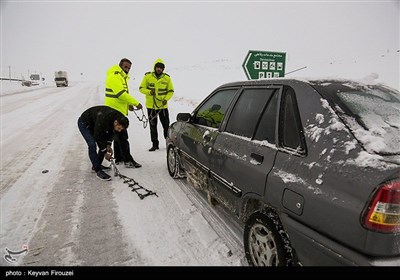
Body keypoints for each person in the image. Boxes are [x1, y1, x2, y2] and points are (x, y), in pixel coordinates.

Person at [104, 58, 143, 168]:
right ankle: (128, 160)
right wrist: (136, 103)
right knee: (123, 136)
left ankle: (119, 158)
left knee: (117, 136)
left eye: (129, 68)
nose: (127, 70)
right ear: (120, 66)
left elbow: (121, 95)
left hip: (117, 109)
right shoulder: (115, 76)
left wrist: (128, 105)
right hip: (114, 111)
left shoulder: (121, 77)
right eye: (125, 67)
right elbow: (121, 94)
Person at [78, 105, 130, 181]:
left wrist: (108, 144)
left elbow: (112, 133)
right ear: (116, 123)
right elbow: (98, 136)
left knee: (104, 144)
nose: (119, 131)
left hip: (95, 123)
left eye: (121, 129)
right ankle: (98, 170)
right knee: (92, 144)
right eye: (119, 128)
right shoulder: (104, 119)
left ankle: (97, 164)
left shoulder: (119, 119)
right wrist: (105, 152)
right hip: (84, 123)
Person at [139, 58, 174, 151]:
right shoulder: (147, 76)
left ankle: (168, 144)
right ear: (155, 67)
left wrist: (166, 99)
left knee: (166, 125)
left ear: (163, 69)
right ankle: (155, 144)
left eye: (161, 68)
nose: (159, 69)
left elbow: (171, 91)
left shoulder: (167, 78)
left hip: (163, 107)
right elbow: (141, 88)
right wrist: (149, 92)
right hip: (151, 107)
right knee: (153, 126)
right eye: (157, 67)